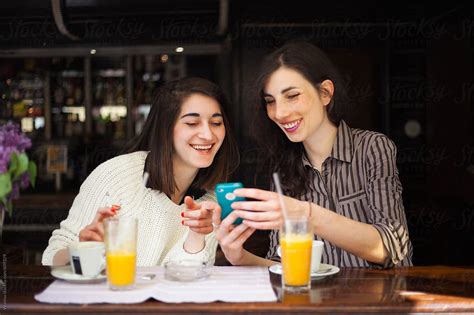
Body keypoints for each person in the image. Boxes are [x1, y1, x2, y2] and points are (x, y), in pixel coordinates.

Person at [214, 41, 413, 268]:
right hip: (318, 301)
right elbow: (283, 264)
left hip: (378, 300)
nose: (279, 113)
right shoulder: (284, 170)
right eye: (270, 101)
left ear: (325, 93)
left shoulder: (372, 147)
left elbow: (392, 247)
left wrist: (306, 213)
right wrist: (240, 257)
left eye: (292, 96)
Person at [42, 77, 239, 266]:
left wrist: (197, 236)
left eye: (216, 123)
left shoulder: (212, 201)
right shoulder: (116, 175)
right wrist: (82, 250)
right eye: (192, 123)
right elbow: (51, 258)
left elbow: (185, 275)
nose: (207, 134)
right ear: (165, 127)